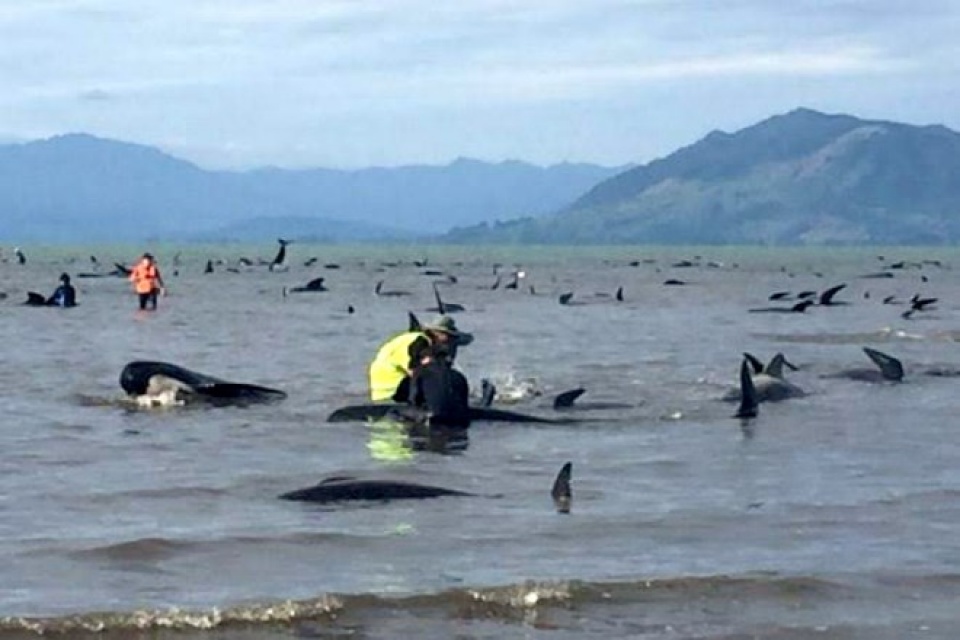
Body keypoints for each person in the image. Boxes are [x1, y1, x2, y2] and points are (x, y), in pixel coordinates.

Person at [368, 315, 474, 410]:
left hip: (382, 390)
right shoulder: (421, 342)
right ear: (440, 334)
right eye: (449, 338)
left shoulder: (412, 338)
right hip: (394, 389)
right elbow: (419, 371)